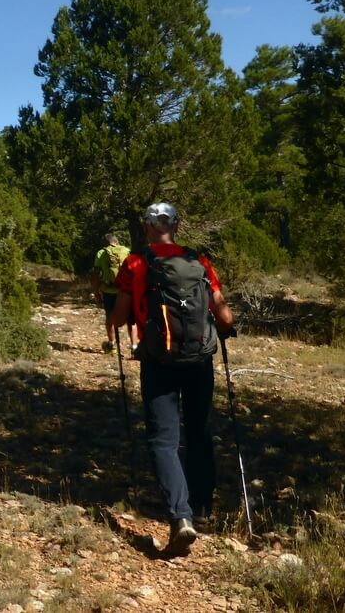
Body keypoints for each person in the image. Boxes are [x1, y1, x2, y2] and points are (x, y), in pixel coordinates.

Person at [111, 202, 234, 556]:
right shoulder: (198, 261)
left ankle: (180, 516)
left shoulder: (135, 263)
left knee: (164, 440)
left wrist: (126, 316)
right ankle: (202, 507)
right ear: (176, 227)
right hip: (198, 359)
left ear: (147, 228)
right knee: (199, 430)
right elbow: (223, 314)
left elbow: (119, 318)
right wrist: (225, 327)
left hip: (158, 361)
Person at [89, 233, 133, 353]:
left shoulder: (101, 253)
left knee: (110, 317)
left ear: (105, 243)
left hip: (108, 290)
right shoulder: (126, 251)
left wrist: (96, 293)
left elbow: (95, 276)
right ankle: (134, 346)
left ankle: (112, 344)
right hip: (125, 290)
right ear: (116, 241)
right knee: (130, 318)